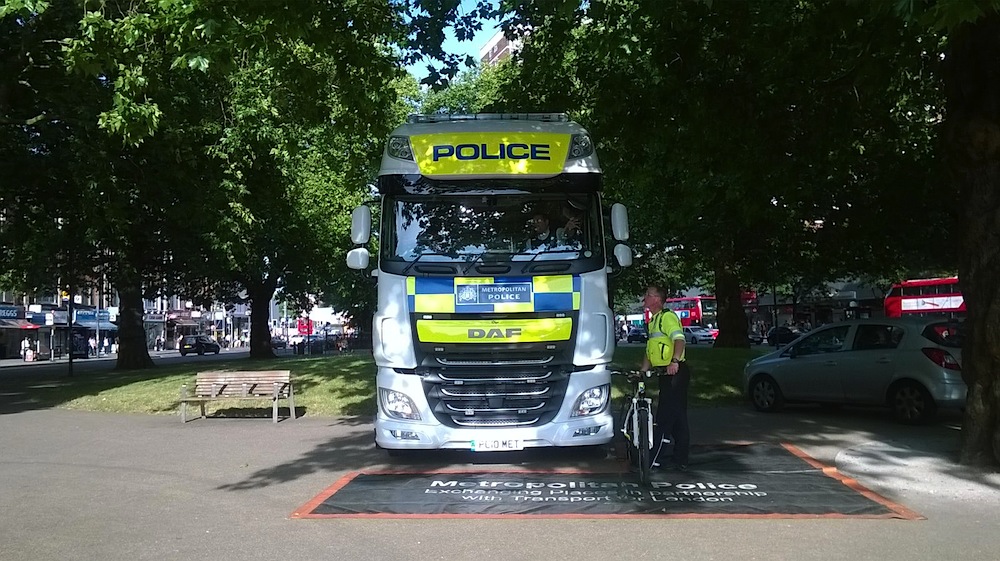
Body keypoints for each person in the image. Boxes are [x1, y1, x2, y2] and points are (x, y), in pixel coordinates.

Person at [639, 284, 690, 471]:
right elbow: (650, 351)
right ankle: (680, 459)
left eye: (648, 294)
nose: (644, 297)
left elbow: (679, 339)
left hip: (675, 372)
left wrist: (674, 361)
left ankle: (654, 458)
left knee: (665, 417)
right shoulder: (653, 321)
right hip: (666, 373)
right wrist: (642, 371)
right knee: (678, 417)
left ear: (657, 299)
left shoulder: (667, 317)